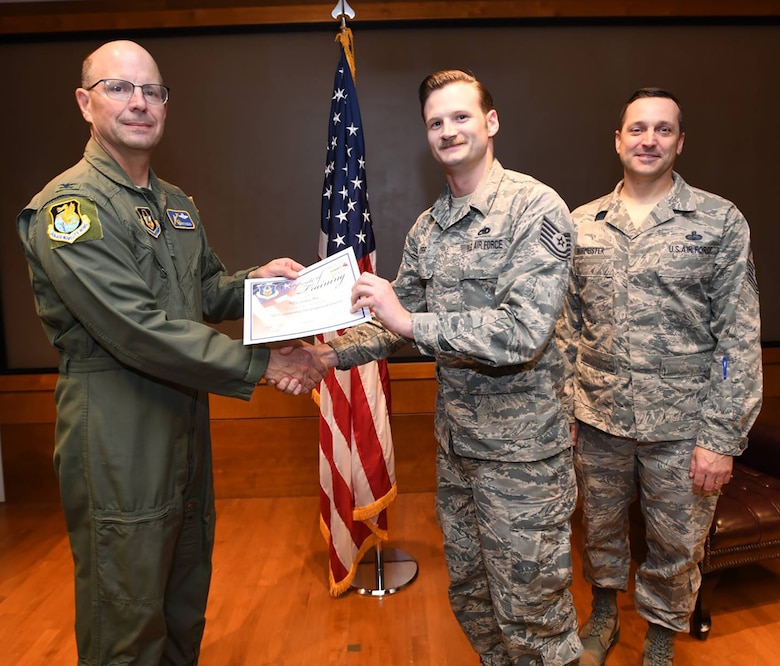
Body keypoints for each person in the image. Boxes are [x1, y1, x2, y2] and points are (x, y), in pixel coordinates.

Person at [16, 40, 327, 664]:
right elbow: (137, 329)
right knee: (127, 617)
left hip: (182, 418)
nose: (139, 102)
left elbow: (205, 290)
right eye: (119, 88)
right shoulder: (70, 209)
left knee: (183, 597)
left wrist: (264, 285)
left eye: (152, 91)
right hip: (117, 428)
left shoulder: (176, 205)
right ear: (84, 102)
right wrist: (265, 364)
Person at [302, 69, 582, 665]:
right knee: (474, 599)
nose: (449, 131)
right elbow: (391, 317)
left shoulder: (536, 209)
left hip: (523, 461)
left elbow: (522, 332)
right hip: (459, 453)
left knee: (534, 617)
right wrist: (322, 356)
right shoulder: (431, 228)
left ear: (491, 121)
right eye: (436, 122)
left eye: (461, 116)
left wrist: (410, 323)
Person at [555, 88, 763, 666]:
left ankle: (661, 641)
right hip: (598, 420)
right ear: (617, 140)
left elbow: (736, 339)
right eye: (638, 129)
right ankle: (602, 614)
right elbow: (566, 329)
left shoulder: (719, 221)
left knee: (676, 545)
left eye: (663, 130)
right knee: (599, 529)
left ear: (680, 142)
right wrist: (566, 409)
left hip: (684, 427)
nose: (649, 140)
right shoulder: (582, 225)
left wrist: (720, 439)